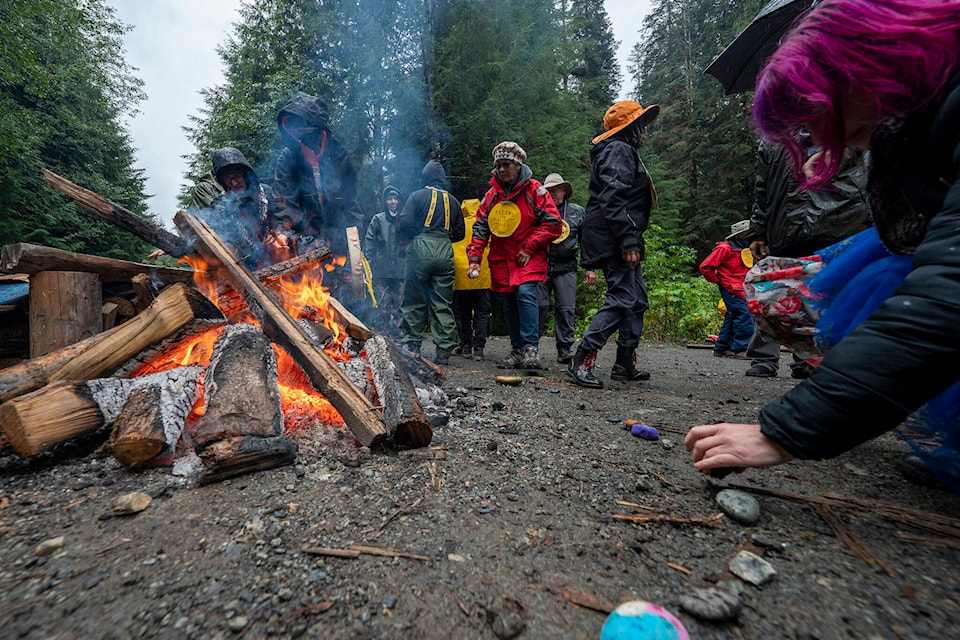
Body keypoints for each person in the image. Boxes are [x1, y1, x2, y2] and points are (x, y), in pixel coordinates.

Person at [685, 0, 960, 491]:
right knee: (776, 293)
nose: (810, 130)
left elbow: (947, 294)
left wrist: (786, 430)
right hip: (830, 242)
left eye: (814, 111)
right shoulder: (908, 120)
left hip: (878, 255)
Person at [743, 138, 870, 379]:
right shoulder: (772, 139)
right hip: (786, 224)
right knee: (775, 290)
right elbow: (762, 187)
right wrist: (758, 229)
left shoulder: (844, 125)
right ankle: (765, 358)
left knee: (828, 292)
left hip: (840, 221)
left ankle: (810, 360)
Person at [568, 101, 658, 388]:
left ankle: (624, 363)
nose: (644, 130)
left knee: (637, 299)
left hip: (618, 231)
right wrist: (628, 239)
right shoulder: (618, 149)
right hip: (613, 234)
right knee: (622, 297)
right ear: (629, 127)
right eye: (640, 124)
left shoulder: (622, 149)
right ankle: (581, 358)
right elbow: (612, 197)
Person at [466, 142, 562, 370]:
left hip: (527, 255)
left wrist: (529, 247)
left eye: (506, 164)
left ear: (518, 165)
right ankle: (517, 350)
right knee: (508, 302)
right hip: (502, 258)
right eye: (498, 165)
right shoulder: (491, 196)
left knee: (525, 293)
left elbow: (553, 223)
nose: (501, 169)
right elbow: (480, 228)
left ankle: (531, 349)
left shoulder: (535, 191)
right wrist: (474, 259)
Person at [272, 91, 363, 256]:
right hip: (304, 239)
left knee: (341, 276)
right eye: (297, 129)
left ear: (319, 130)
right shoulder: (288, 157)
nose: (302, 135)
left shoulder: (339, 155)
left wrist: (355, 233)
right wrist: (283, 230)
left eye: (306, 130)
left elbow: (350, 199)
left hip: (337, 234)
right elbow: (284, 200)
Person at [397, 160, 464, 366]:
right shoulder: (453, 201)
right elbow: (460, 233)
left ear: (424, 177)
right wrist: (443, 239)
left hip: (420, 247)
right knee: (442, 302)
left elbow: (405, 223)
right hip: (445, 249)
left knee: (414, 299)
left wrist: (417, 236)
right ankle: (443, 351)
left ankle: (412, 346)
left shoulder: (416, 196)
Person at [189, 147, 290, 269]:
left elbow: (285, 215)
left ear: (247, 175)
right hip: (251, 266)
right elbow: (210, 232)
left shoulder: (266, 193)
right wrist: (186, 245)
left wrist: (279, 233)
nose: (234, 183)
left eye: (237, 176)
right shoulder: (221, 206)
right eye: (228, 179)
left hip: (283, 255)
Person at [537, 173, 593, 364]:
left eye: (556, 189)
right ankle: (531, 348)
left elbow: (586, 241)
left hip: (567, 268)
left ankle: (564, 349)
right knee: (538, 307)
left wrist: (589, 267)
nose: (552, 193)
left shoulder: (577, 212)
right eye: (549, 190)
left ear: (564, 191)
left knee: (566, 309)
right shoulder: (538, 210)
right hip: (541, 266)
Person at [699, 220, 753, 359]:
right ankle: (740, 348)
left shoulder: (746, 248)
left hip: (743, 287)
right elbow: (706, 267)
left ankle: (722, 347)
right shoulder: (725, 248)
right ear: (741, 234)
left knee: (732, 315)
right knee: (744, 315)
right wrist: (720, 281)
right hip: (732, 288)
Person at [452, 198, 491, 361]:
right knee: (482, 313)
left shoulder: (458, 223)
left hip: (461, 275)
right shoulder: (484, 223)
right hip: (482, 275)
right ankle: (479, 349)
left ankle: (466, 345)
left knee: (463, 313)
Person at [363, 186, 406, 336]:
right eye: (389, 198)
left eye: (395, 198)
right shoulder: (378, 219)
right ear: (385, 201)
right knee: (382, 305)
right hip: (382, 270)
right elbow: (369, 244)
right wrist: (366, 269)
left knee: (400, 305)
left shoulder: (406, 218)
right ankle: (383, 336)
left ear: (400, 201)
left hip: (402, 270)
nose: (393, 202)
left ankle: (398, 336)